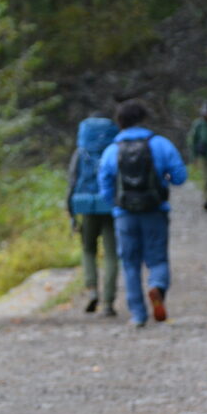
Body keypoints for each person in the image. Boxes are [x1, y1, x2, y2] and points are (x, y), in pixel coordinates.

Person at [97, 100, 187, 327]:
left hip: (124, 214)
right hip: (155, 211)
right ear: (143, 119)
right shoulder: (160, 144)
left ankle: (138, 315)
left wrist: (115, 206)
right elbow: (180, 176)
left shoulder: (111, 150)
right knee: (157, 259)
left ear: (120, 123)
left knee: (130, 264)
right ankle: (156, 285)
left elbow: (105, 185)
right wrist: (164, 179)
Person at [67, 112, 120, 316]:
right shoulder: (114, 151)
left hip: (87, 207)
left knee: (88, 250)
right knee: (111, 254)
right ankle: (108, 302)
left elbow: (72, 181)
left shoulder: (81, 152)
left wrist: (71, 211)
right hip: (111, 206)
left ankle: (91, 290)